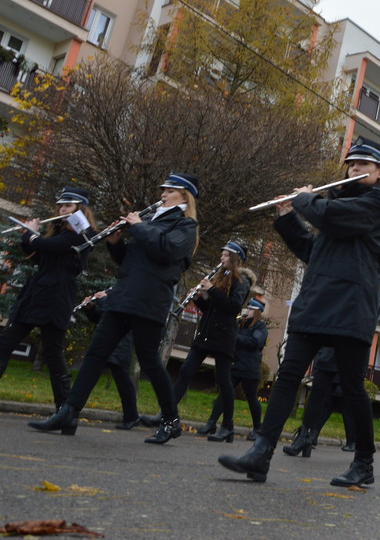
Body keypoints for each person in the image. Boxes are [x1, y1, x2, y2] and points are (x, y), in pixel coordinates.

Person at [218, 138, 380, 486]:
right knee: (288, 377)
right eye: (351, 164)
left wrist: (305, 200)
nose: (354, 169)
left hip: (351, 308)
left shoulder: (375, 205)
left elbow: (333, 219)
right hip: (316, 304)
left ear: (379, 172)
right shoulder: (330, 206)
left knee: (353, 388)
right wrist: (287, 216)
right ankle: (262, 452)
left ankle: (364, 463)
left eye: (363, 165)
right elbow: (311, 249)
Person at [29, 173, 200, 444]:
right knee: (96, 353)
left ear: (184, 195)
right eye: (163, 189)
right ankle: (69, 412)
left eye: (169, 190)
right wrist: (115, 242)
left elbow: (166, 251)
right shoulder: (154, 220)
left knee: (150, 362)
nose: (163, 194)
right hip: (124, 295)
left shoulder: (185, 225)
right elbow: (130, 261)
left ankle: (171, 420)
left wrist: (139, 226)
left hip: (149, 301)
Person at [0, 187, 95, 424]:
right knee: (5, 343)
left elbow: (46, 246)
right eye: (61, 205)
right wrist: (28, 237)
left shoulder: (80, 235)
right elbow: (40, 256)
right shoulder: (61, 233)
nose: (62, 209)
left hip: (55, 299)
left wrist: (31, 234)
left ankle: (65, 413)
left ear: (80, 209)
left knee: (53, 355)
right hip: (37, 295)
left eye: (69, 206)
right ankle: (65, 414)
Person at [142, 241, 253, 442]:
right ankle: (168, 414)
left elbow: (233, 308)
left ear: (236, 258)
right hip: (206, 333)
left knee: (224, 380)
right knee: (185, 371)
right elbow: (210, 309)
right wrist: (198, 298)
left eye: (226, 255)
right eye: (222, 254)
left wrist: (211, 290)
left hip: (224, 336)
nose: (222, 258)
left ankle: (227, 425)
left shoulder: (242, 281)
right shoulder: (221, 277)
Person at [203, 298, 269, 441]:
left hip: (250, 367)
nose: (247, 311)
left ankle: (258, 428)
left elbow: (254, 343)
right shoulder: (241, 324)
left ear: (257, 312)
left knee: (251, 398)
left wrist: (234, 336)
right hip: (236, 365)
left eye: (251, 309)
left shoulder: (260, 326)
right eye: (248, 308)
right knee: (224, 394)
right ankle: (211, 422)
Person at [78, 290, 141, 430]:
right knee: (88, 377)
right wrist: (91, 309)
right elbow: (103, 318)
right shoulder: (117, 289)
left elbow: (121, 313)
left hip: (120, 343)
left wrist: (104, 300)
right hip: (107, 342)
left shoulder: (130, 291)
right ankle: (69, 410)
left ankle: (132, 417)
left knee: (123, 383)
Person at [282, 346, 357, 457]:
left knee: (343, 405)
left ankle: (356, 444)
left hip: (346, 364)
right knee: (316, 397)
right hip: (326, 358)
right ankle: (305, 437)